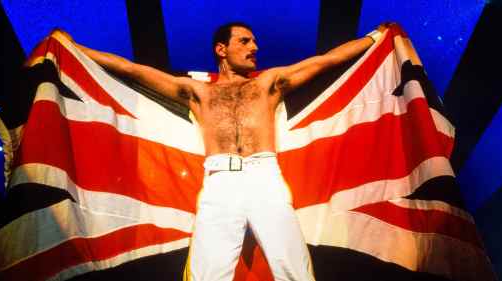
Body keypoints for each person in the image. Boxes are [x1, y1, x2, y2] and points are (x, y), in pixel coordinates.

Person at [54, 21, 389, 281]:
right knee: (208, 272)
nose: (254, 47)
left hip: (265, 177)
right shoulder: (197, 92)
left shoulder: (268, 83)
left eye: (254, 42)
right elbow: (131, 69)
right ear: (221, 49)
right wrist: (73, 48)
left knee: (293, 267)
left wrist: (374, 38)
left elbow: (325, 61)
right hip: (219, 181)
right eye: (245, 41)